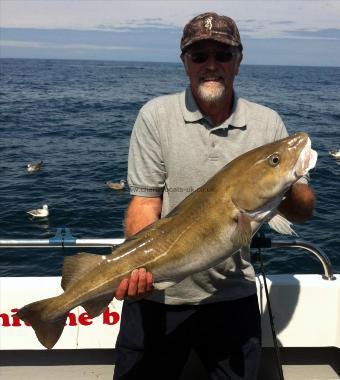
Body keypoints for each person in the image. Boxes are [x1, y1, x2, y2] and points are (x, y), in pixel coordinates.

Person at [113, 12, 315, 380]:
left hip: (232, 296)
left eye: (222, 55)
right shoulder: (155, 116)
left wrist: (284, 178)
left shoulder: (268, 124)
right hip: (157, 298)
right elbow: (145, 202)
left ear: (238, 61)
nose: (211, 65)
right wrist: (138, 270)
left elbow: (303, 211)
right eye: (199, 55)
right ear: (184, 63)